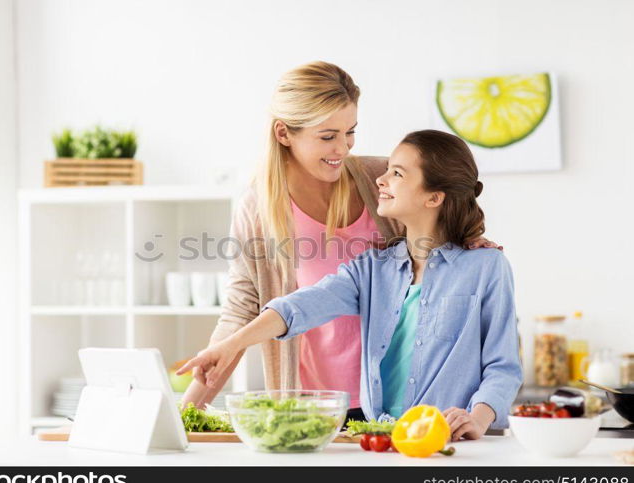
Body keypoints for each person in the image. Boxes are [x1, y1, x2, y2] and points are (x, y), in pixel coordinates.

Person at [181, 62, 498, 423]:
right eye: (327, 136)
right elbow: (242, 312)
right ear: (284, 133)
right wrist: (186, 412)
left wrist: (468, 240)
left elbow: (443, 210)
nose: (343, 148)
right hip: (315, 405)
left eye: (350, 132)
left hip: (394, 398)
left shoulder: (382, 179)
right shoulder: (259, 208)